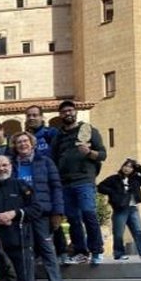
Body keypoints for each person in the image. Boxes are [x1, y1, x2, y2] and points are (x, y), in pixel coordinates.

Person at [11, 131, 67, 281]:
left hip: (42, 211)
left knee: (46, 247)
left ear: (32, 143)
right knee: (24, 250)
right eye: (19, 142)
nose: (22, 144)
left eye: (25, 141)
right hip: (21, 214)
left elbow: (56, 187)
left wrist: (57, 211)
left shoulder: (45, 162)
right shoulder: (12, 165)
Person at [53, 100, 108, 265]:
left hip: (84, 180)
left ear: (75, 112)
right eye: (64, 112)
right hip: (65, 182)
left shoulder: (89, 130)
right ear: (60, 115)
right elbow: (53, 158)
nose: (68, 114)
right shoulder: (58, 136)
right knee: (73, 218)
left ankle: (97, 250)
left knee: (88, 213)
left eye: (70, 110)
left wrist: (89, 152)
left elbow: (103, 154)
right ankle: (81, 252)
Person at [99, 159, 141, 260]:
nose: (127, 168)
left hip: (133, 208)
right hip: (120, 209)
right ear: (122, 167)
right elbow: (100, 187)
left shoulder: (136, 179)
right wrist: (113, 192)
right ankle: (119, 253)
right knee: (118, 232)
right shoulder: (114, 178)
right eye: (126, 166)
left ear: (133, 169)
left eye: (130, 167)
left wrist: (139, 167)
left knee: (138, 230)